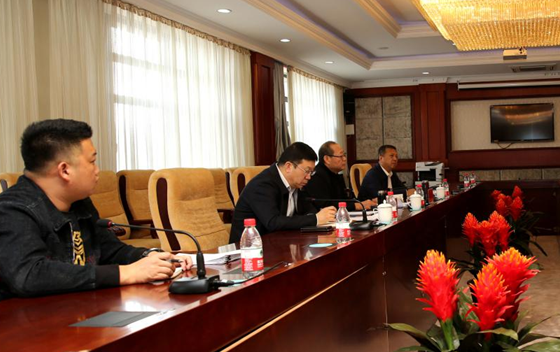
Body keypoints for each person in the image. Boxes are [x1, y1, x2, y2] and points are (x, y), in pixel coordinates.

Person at [0, 119, 191, 300]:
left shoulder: (79, 202)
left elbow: (109, 250)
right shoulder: (12, 210)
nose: (97, 170)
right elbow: (29, 275)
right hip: (31, 319)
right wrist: (125, 273)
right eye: (92, 162)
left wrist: (150, 257)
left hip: (79, 307)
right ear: (65, 170)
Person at [229, 142, 336, 243]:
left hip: (280, 242)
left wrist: (322, 217)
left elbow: (307, 210)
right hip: (250, 248)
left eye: (311, 172)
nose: (309, 177)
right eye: (307, 171)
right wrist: (315, 219)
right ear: (288, 166)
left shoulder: (296, 183)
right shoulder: (262, 185)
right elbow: (273, 222)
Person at [304, 141, 376, 211]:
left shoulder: (335, 174)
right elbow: (324, 204)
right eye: (341, 156)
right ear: (327, 159)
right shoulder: (316, 176)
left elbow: (344, 200)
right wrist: (356, 205)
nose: (344, 159)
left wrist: (365, 202)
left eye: (344, 155)